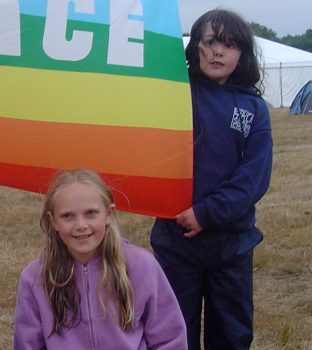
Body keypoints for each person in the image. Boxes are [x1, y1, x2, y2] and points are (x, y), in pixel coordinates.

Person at [150, 9, 273, 350]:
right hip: (176, 244)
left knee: (231, 335)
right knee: (173, 333)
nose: (219, 51)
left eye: (230, 45)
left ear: (242, 54)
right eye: (211, 41)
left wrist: (207, 213)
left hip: (231, 247)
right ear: (194, 47)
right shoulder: (172, 96)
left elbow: (254, 177)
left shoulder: (253, 109)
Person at [14, 169, 187, 350]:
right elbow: (27, 345)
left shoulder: (142, 267)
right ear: (53, 221)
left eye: (91, 213)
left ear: (109, 214)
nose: (81, 225)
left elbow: (170, 339)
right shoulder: (35, 278)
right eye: (67, 216)